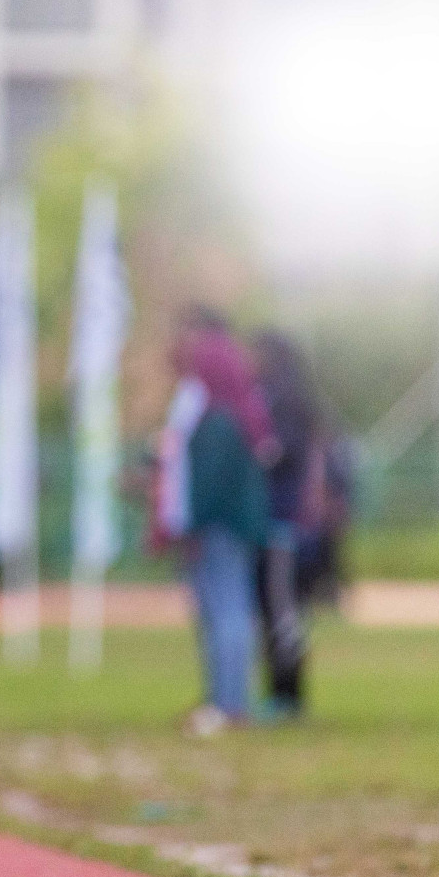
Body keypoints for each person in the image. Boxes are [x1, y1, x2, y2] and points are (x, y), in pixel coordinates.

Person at [154, 307, 270, 737]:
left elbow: (214, 479)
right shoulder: (223, 408)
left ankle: (231, 703)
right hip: (224, 523)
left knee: (228, 609)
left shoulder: (218, 415)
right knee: (221, 609)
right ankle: (222, 699)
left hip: (220, 524)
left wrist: (196, 523)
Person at [251, 331, 322, 719]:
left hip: (283, 521)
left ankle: (289, 697)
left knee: (283, 612)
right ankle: (280, 692)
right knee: (276, 612)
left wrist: (256, 458)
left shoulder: (288, 401)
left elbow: (287, 455)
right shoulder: (274, 397)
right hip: (274, 520)